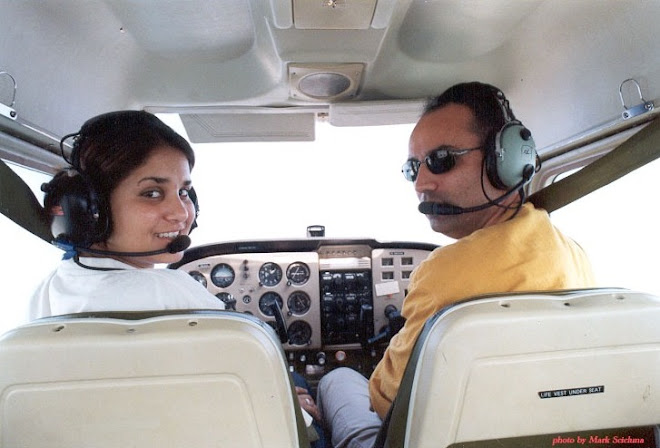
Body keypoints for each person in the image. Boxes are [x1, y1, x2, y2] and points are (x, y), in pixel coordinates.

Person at [316, 82, 596, 448]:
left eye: (441, 160)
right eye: (413, 167)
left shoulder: (444, 271)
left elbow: (386, 403)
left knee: (336, 380)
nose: (421, 183)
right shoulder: (572, 253)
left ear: (506, 161)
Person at [28, 110, 325, 446]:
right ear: (90, 209)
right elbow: (273, 414)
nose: (182, 213)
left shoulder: (46, 293)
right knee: (326, 381)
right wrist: (294, 407)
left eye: (185, 192)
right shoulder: (175, 295)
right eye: (152, 193)